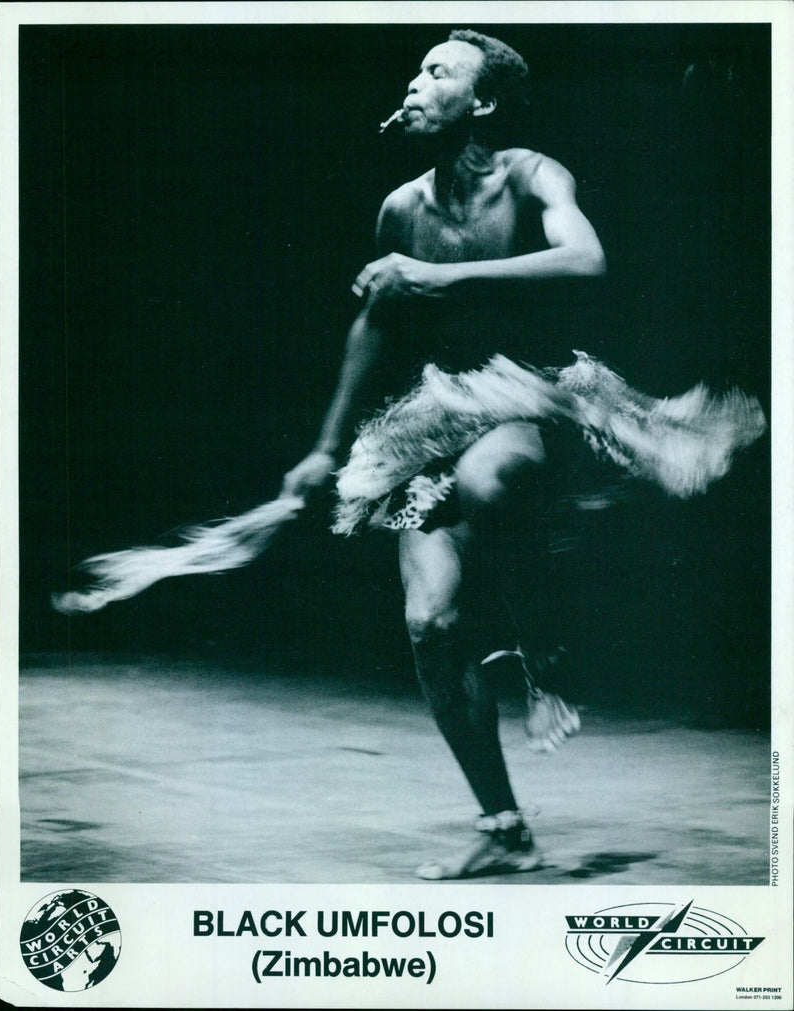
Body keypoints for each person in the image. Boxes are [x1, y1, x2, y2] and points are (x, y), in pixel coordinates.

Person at [281, 30, 607, 879]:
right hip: (436, 418)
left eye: (439, 72)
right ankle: (505, 830)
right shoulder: (400, 210)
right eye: (416, 70)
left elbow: (587, 259)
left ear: (485, 103)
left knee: (489, 477)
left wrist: (438, 280)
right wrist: (324, 448)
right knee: (429, 624)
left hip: (534, 402)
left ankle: (549, 644)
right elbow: (377, 321)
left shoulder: (534, 174)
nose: (416, 83)